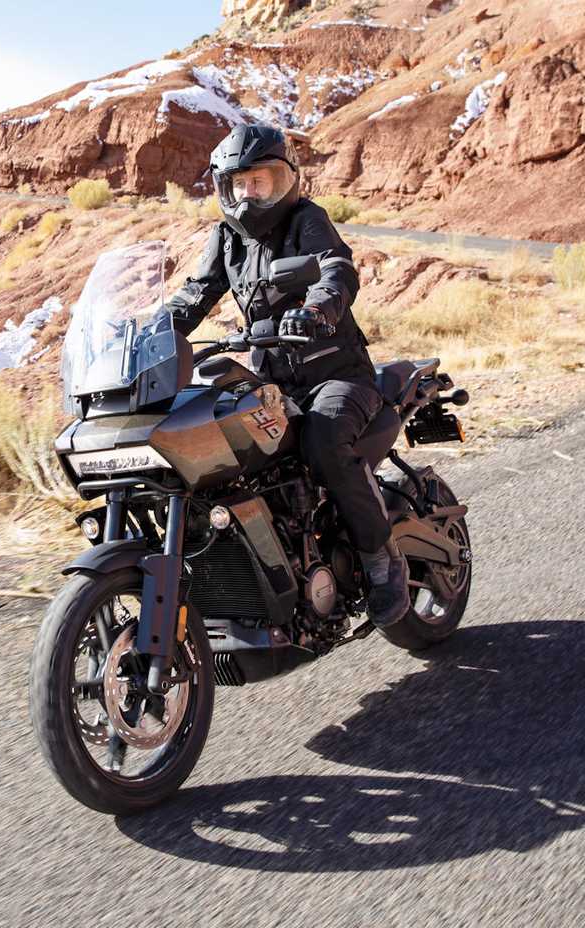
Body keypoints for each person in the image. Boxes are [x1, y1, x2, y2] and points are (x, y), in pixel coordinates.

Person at [163, 123, 410, 627]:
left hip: (338, 377)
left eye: (262, 181)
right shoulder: (226, 238)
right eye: (240, 183)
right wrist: (149, 334)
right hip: (274, 385)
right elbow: (195, 294)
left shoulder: (307, 220)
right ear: (224, 188)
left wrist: (318, 309)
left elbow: (335, 267)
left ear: (285, 179)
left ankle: (382, 559)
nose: (251, 193)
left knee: (322, 439)